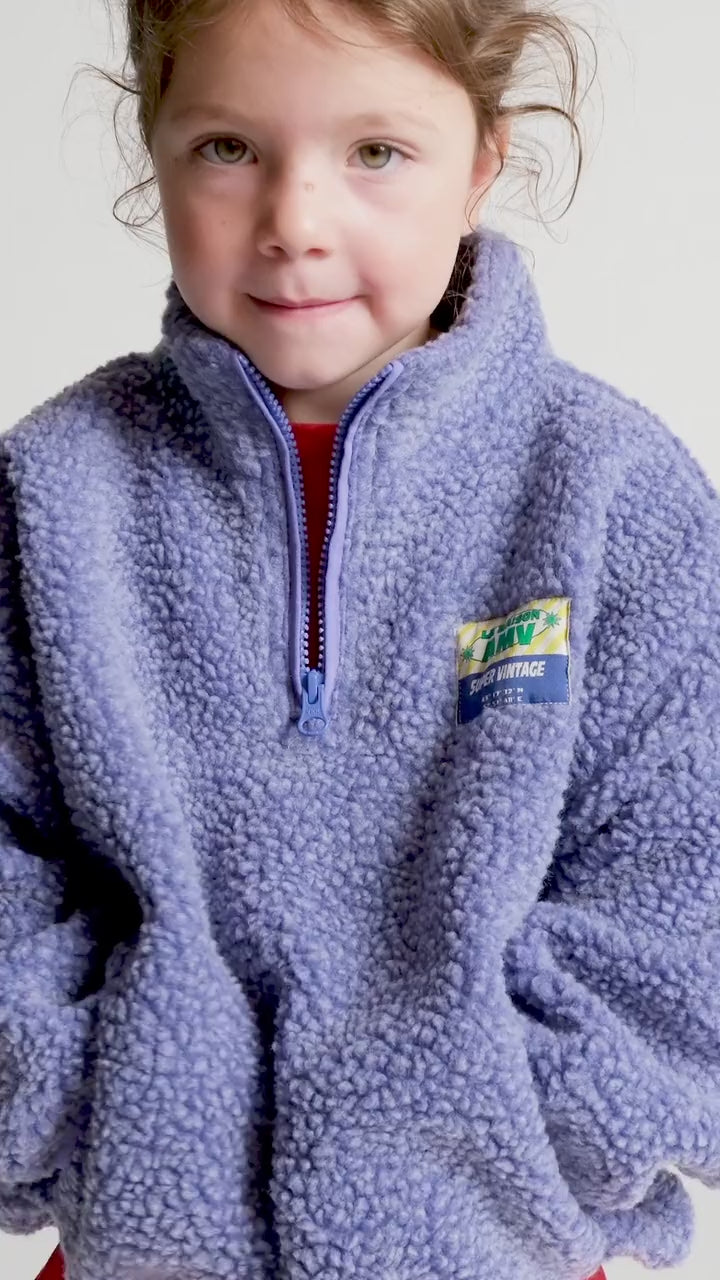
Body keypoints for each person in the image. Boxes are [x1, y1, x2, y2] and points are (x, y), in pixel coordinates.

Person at [3, 0, 718, 1277]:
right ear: (155, 143)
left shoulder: (613, 495)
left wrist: (513, 1130)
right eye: (229, 147)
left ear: (483, 159)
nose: (295, 220)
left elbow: (687, 889)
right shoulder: (55, 491)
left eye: (375, 152)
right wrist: (99, 1107)